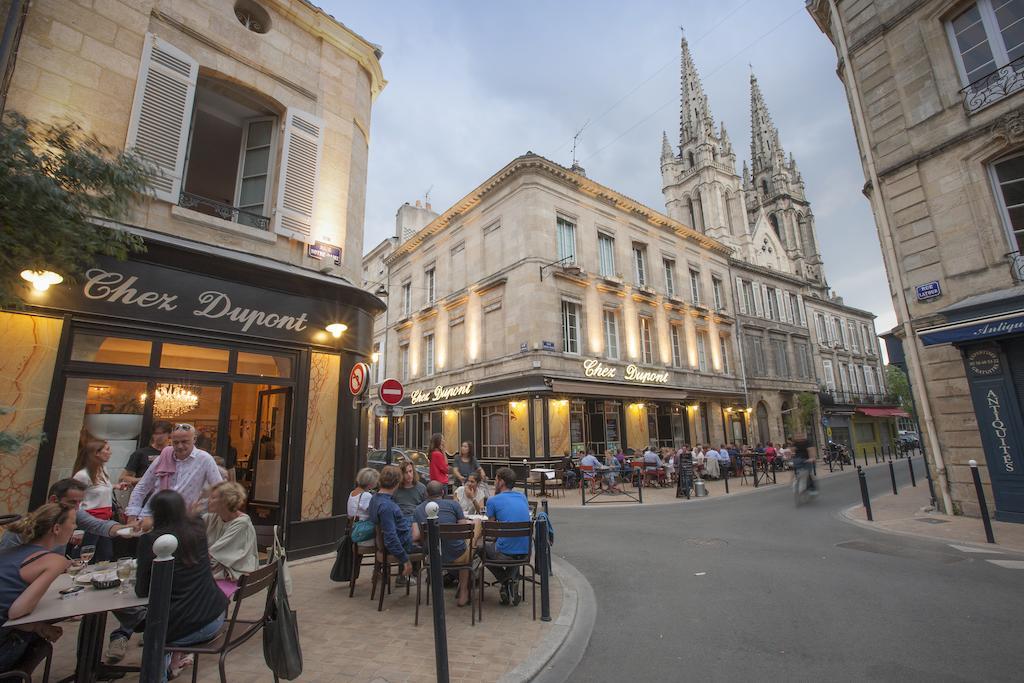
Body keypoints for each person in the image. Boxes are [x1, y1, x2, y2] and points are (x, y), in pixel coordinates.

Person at [136, 490, 228, 682]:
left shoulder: (152, 540)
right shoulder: (197, 529)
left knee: (153, 632)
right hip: (217, 613)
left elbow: (142, 590)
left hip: (189, 624)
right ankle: (171, 664)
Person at [0, 503, 74, 675]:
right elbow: (16, 612)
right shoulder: (54, 560)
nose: (75, 527)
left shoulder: (9, 551)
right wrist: (39, 628)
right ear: (56, 528)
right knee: (39, 641)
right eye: (73, 522)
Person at [126, 423, 224, 528]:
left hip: (183, 521)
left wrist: (202, 510)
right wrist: (132, 515)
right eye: (175, 442)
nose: (180, 446)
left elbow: (220, 490)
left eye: (184, 442)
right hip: (151, 517)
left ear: (194, 439)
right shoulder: (163, 457)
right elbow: (142, 487)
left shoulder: (204, 459)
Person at [0, 479, 127, 552]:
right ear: (54, 500)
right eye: (72, 502)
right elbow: (6, 561)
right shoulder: (22, 529)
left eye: (79, 502)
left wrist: (129, 529)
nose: (77, 507)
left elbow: (99, 525)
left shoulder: (75, 513)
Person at [413, 481, 477, 607]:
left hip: (432, 556)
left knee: (456, 546)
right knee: (473, 532)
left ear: (426, 494)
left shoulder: (418, 509)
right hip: (457, 555)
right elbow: (463, 530)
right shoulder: (454, 505)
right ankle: (464, 590)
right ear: (443, 492)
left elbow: (415, 536)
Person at [72, 439, 126, 562]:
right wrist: (78, 529)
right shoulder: (82, 475)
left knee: (105, 555)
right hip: (89, 520)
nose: (110, 452)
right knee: (85, 555)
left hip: (105, 520)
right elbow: (74, 501)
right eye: (107, 449)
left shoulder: (102, 470)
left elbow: (97, 489)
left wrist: (115, 486)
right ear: (96, 453)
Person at [484, 467, 531, 606]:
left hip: (505, 553)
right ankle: (511, 582)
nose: (495, 482)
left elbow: (490, 530)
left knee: (481, 549)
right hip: (526, 551)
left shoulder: (493, 501)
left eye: (496, 479)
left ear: (502, 482)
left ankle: (505, 581)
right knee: (512, 546)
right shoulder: (522, 497)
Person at [368, 465, 417, 583]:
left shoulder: (374, 499)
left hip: (386, 542)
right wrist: (405, 560)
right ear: (397, 483)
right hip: (401, 544)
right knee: (431, 541)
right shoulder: (387, 506)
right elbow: (391, 538)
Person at [204, 481, 258, 584]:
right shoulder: (214, 516)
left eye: (213, 498)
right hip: (217, 572)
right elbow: (189, 528)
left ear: (225, 501)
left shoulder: (241, 523)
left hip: (234, 576)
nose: (208, 500)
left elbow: (209, 555)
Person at [120, 420, 173, 485]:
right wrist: (143, 479)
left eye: (162, 433)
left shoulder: (174, 452)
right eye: (155, 433)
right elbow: (123, 478)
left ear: (169, 434)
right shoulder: (140, 453)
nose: (158, 436)